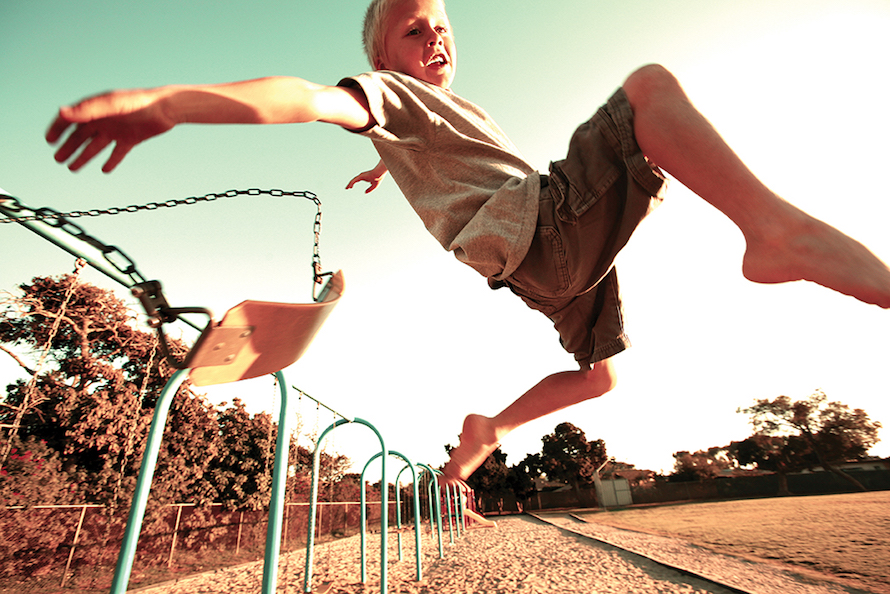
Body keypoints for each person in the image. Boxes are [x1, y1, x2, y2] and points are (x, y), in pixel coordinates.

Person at [47, 0, 890, 486]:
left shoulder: (424, 118)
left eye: (442, 24)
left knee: (598, 376)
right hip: (541, 234)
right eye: (413, 30)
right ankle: (772, 232)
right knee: (648, 94)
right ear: (378, 58)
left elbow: (431, 155)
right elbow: (305, 97)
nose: (436, 37)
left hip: (543, 272)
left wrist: (387, 167)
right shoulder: (385, 95)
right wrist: (176, 101)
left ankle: (488, 426)